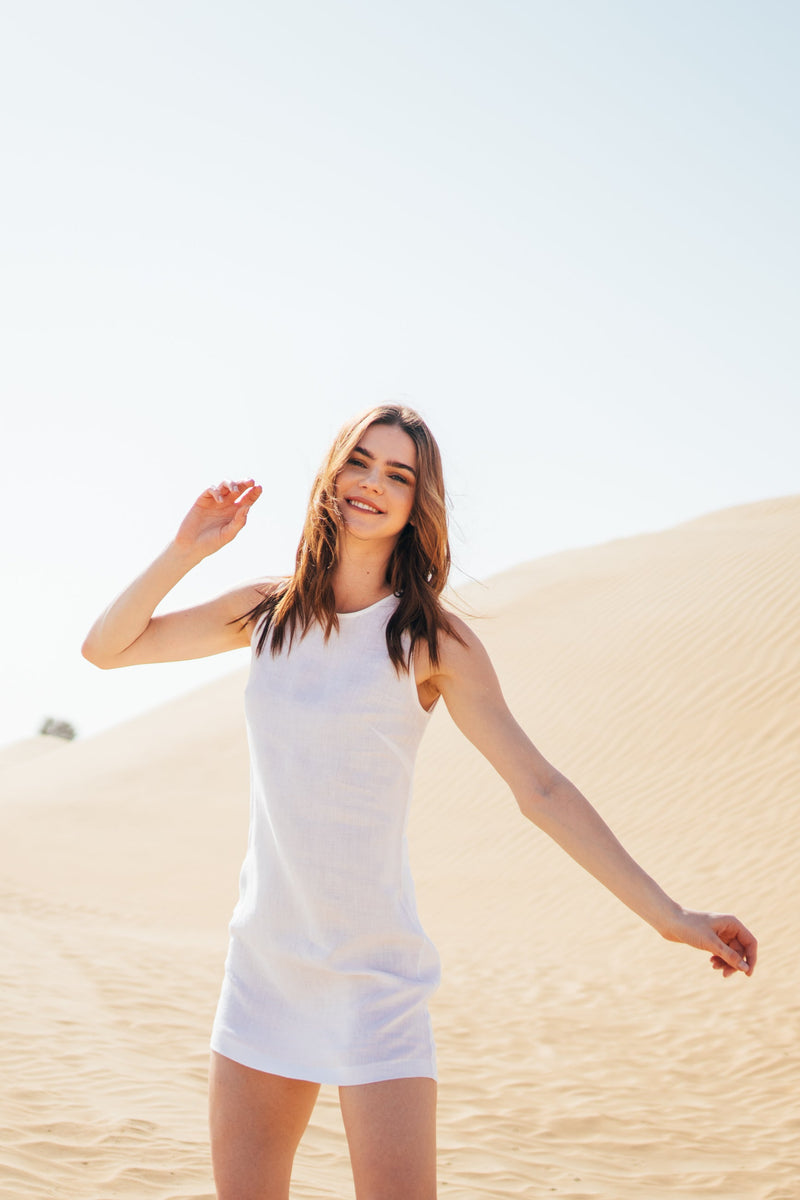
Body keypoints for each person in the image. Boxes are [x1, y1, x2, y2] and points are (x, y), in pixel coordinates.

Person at [82, 404, 756, 1200]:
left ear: (417, 503)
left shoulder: (430, 640)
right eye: (359, 463)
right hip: (266, 970)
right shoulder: (265, 610)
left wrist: (668, 914)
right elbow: (106, 649)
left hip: (378, 982)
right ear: (332, 475)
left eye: (397, 475)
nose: (371, 484)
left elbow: (539, 787)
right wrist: (186, 549)